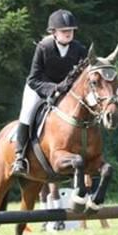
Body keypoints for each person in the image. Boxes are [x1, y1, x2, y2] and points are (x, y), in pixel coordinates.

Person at [11, 9, 88, 176]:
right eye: (64, 31)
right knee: (27, 112)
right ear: (53, 32)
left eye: (71, 31)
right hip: (39, 88)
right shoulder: (43, 47)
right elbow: (33, 79)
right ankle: (19, 157)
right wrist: (53, 88)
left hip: (67, 92)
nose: (69, 34)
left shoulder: (80, 49)